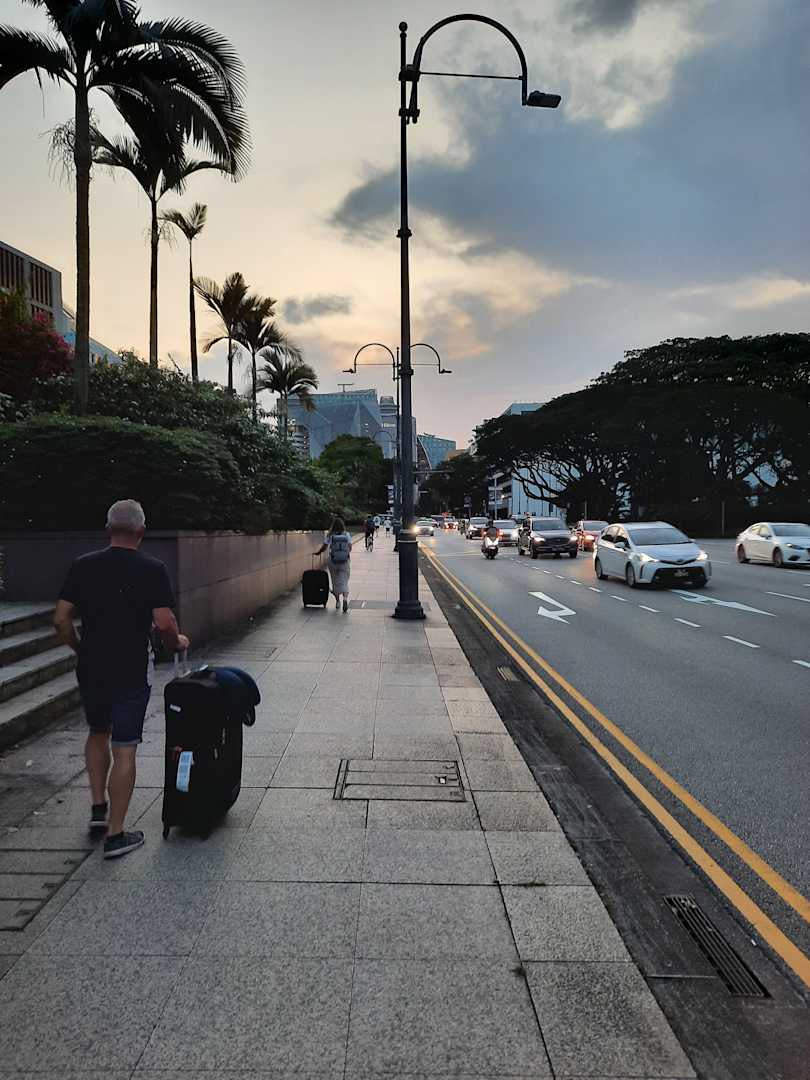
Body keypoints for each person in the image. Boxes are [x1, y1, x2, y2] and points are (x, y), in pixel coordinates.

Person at [53, 500, 189, 859]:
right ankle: (116, 834)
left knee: (98, 731)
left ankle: (98, 809)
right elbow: (164, 623)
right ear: (141, 532)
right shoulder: (152, 569)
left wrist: (79, 648)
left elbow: (61, 619)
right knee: (125, 747)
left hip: (92, 665)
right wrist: (177, 642)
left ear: (107, 529)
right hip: (131, 667)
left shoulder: (83, 565)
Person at [315, 517, 352, 612]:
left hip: (333, 561)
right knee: (344, 581)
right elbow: (350, 547)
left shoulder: (330, 535)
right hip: (344, 561)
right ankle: (345, 599)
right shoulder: (346, 534)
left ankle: (337, 601)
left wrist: (318, 553)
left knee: (335, 581)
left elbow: (324, 547)